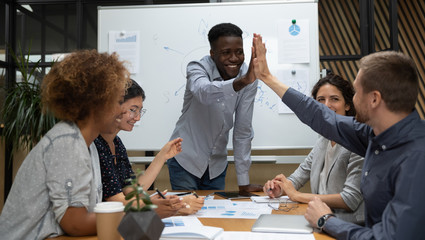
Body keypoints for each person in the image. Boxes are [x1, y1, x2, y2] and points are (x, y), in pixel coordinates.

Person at [252, 34, 425, 239]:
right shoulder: (375, 134)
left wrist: (326, 220)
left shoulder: (418, 158)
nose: (353, 98)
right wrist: (267, 77)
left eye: (356, 92)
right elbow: (322, 117)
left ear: (374, 99)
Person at [0, 50, 131, 239]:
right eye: (119, 101)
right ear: (97, 102)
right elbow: (76, 225)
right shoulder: (67, 142)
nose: (121, 110)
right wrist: (140, 215)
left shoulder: (88, 145)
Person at [167, 23, 262, 192]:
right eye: (226, 52)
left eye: (239, 52)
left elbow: (243, 131)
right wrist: (242, 82)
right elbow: (204, 92)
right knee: (187, 213)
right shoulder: (197, 67)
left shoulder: (248, 76)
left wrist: (243, 182)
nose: (234, 58)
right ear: (212, 54)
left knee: (214, 216)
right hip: (185, 161)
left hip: (216, 168)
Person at [263, 73, 364, 224]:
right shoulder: (322, 141)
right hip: (319, 220)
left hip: (348, 225)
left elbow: (350, 200)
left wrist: (297, 196)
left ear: (347, 105)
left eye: (334, 99)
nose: (326, 105)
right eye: (320, 100)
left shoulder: (357, 141)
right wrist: (280, 188)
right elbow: (298, 178)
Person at [94, 80, 204, 217]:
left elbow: (133, 190)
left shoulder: (116, 143)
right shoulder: (96, 144)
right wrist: (174, 205)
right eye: (133, 110)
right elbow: (116, 201)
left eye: (140, 111)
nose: (138, 118)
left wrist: (162, 156)